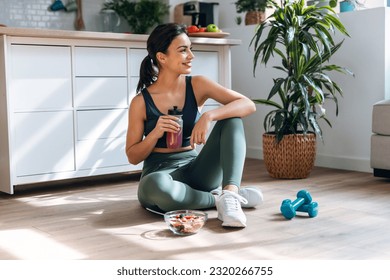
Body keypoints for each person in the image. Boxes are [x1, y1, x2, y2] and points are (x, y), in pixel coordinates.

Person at [125, 23, 263, 228]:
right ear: (162, 57)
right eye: (183, 50)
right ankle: (218, 199)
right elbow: (133, 156)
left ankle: (231, 194)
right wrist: (155, 134)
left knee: (232, 118)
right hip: (161, 174)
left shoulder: (197, 85)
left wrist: (209, 115)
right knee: (155, 186)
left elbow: (247, 104)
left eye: (190, 48)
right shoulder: (141, 102)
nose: (191, 55)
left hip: (197, 171)